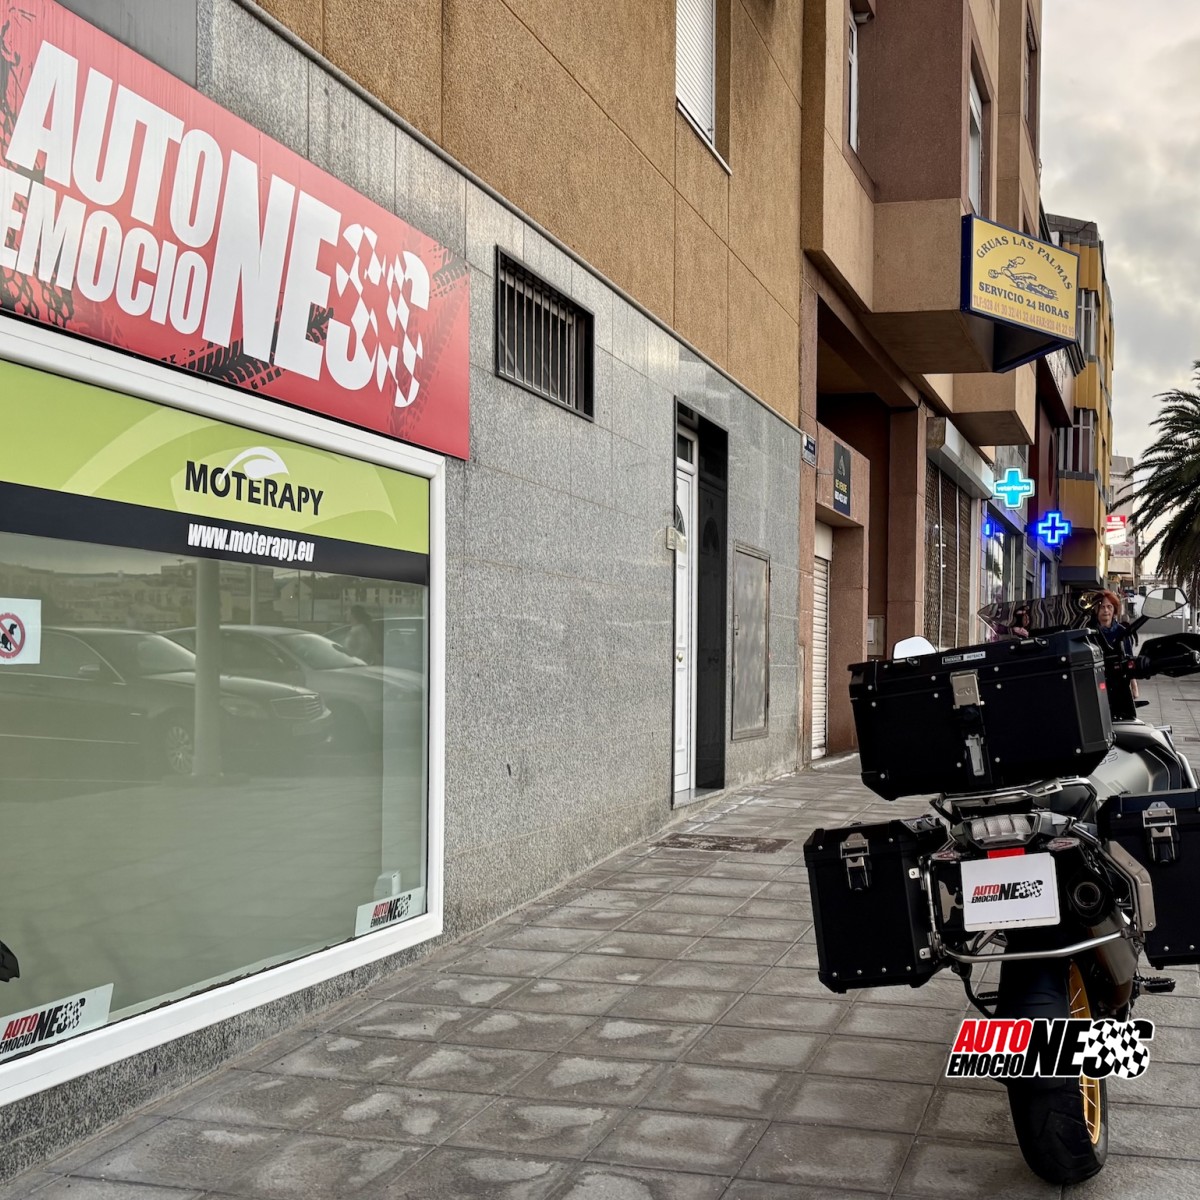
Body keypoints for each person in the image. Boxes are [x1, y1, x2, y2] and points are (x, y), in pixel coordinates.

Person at [1090, 588, 1139, 707]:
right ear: (1096, 609)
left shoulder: (1122, 632)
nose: (1106, 610)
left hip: (1119, 683)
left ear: (1114, 609)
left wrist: (1134, 686)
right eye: (1102, 607)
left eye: (1109, 606)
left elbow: (1129, 659)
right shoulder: (1089, 632)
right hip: (1094, 683)